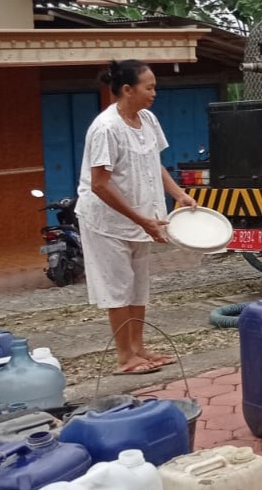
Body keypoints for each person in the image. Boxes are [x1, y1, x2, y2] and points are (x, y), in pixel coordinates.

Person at [77, 60, 197, 375]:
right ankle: (124, 357)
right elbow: (100, 185)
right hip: (106, 221)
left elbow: (153, 163)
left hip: (141, 217)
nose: (154, 93)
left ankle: (140, 348)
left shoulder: (147, 119)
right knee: (118, 287)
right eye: (149, 87)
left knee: (137, 285)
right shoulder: (106, 128)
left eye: (154, 86)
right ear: (128, 89)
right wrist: (140, 220)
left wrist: (178, 194)